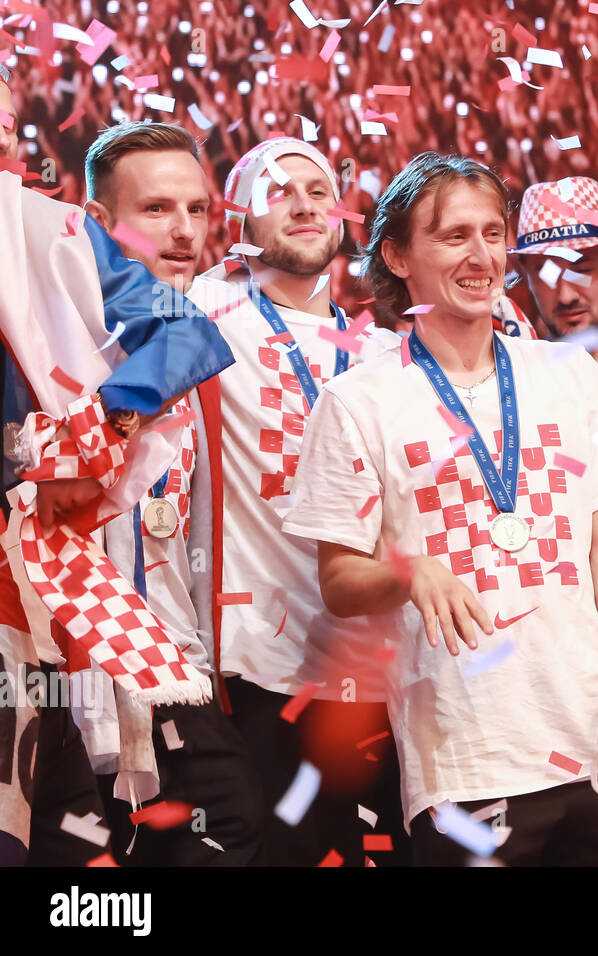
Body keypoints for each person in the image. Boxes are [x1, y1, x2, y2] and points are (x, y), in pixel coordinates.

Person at [283, 151, 598, 866]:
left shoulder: (571, 374)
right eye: (453, 236)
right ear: (398, 255)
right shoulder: (359, 401)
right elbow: (338, 580)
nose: (481, 256)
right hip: (467, 761)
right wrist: (409, 573)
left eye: (493, 233)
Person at [0, 65, 234, 865]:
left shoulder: (42, 231)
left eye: (8, 125)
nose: (5, 141)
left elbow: (186, 331)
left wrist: (100, 423)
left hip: (37, 614)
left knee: (56, 847)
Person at [184, 137, 407, 866]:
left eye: (319, 189)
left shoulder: (384, 353)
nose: (307, 202)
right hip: (261, 669)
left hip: (374, 673)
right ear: (239, 223)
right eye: (279, 191)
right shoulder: (208, 319)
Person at [79, 120, 261, 865]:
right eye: (157, 210)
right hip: (63, 681)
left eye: (197, 210)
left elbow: (194, 538)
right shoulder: (43, 346)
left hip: (172, 673)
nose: (185, 232)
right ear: (95, 224)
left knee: (235, 830)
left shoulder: (201, 353)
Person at [511, 176, 598, 363]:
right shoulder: (520, 384)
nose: (566, 296)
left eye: (581, 271)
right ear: (527, 274)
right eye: (547, 275)